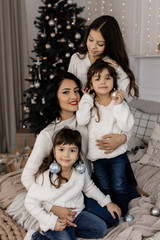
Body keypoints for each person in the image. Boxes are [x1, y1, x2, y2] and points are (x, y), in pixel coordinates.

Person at [21, 72, 121, 233]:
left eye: (76, 91)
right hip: (60, 194)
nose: (74, 96)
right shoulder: (48, 134)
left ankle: (72, 223)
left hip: (84, 187)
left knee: (113, 218)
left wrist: (122, 138)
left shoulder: (85, 121)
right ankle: (53, 230)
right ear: (56, 97)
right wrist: (52, 207)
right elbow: (27, 176)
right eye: (66, 92)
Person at [68, 15, 148, 197]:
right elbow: (70, 87)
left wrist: (123, 137)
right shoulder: (77, 59)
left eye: (100, 43)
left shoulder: (111, 65)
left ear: (109, 44)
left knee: (116, 154)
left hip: (106, 117)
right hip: (84, 115)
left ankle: (131, 187)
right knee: (93, 161)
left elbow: (124, 99)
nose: (93, 47)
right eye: (90, 39)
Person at [25, 127, 121, 240]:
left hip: (76, 215)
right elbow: (30, 202)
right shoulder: (46, 177)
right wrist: (50, 222)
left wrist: (107, 202)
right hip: (54, 219)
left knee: (100, 229)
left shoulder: (80, 171)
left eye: (72, 150)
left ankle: (69, 232)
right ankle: (35, 236)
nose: (66, 155)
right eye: (61, 149)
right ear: (54, 152)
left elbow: (89, 188)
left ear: (78, 154)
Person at [76, 59, 134, 216]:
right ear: (90, 83)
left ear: (114, 81)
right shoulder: (90, 103)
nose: (103, 82)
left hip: (117, 156)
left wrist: (119, 105)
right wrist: (87, 98)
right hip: (98, 158)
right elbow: (81, 120)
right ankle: (110, 211)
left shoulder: (117, 102)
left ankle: (122, 213)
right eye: (97, 78)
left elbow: (126, 125)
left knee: (119, 186)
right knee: (105, 187)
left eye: (107, 78)